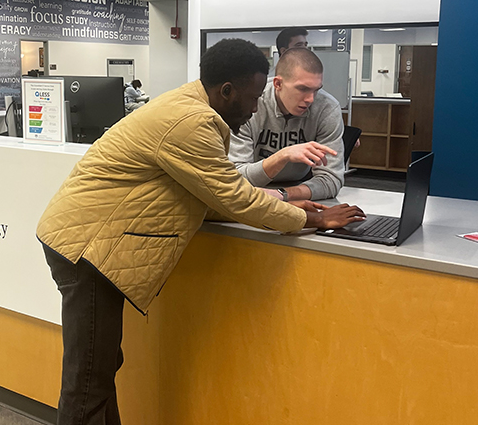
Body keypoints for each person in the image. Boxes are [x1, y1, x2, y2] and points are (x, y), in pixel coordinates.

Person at [36, 38, 365, 425]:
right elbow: (236, 198)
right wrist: (313, 219)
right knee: (88, 379)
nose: (258, 106)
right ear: (227, 92)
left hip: (89, 242)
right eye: (254, 96)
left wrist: (287, 206)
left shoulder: (192, 107)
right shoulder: (192, 122)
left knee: (99, 368)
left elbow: (212, 198)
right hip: (87, 247)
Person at [229, 47, 345, 201]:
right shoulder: (249, 103)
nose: (311, 99)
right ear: (278, 84)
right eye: (302, 89)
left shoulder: (327, 108)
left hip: (297, 190)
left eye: (316, 90)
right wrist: (283, 156)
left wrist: (283, 194)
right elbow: (235, 178)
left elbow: (331, 180)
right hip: (249, 192)